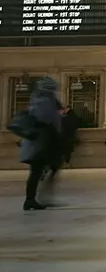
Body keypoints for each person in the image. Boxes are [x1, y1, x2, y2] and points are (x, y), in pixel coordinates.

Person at [19, 77, 63, 211]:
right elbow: (47, 121)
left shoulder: (38, 100)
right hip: (41, 142)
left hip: (38, 142)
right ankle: (32, 199)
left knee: (39, 171)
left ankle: (34, 198)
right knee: (38, 171)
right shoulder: (45, 102)